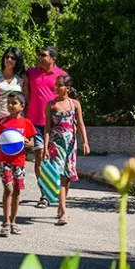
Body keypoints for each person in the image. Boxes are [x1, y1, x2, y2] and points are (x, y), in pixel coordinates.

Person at [23, 45, 66, 208]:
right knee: (39, 157)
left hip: (55, 124)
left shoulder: (61, 76)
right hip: (35, 122)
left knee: (54, 159)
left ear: (53, 59)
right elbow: (25, 91)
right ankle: (44, 195)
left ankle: (55, 191)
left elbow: (67, 98)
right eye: (39, 54)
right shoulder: (31, 73)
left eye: (44, 55)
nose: (40, 57)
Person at [43, 74, 89, 225]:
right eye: (55, 85)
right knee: (60, 175)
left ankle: (61, 206)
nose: (56, 88)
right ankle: (63, 210)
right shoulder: (50, 105)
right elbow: (48, 129)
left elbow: (80, 124)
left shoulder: (74, 104)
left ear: (67, 88)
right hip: (56, 144)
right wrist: (45, 147)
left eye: (59, 85)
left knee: (67, 176)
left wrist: (85, 142)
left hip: (70, 144)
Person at [0, 92, 37, 237]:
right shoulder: (2, 123)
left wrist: (28, 143)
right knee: (9, 189)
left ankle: (13, 222)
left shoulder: (26, 123)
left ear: (22, 106)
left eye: (14, 103)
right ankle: (5, 222)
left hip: (19, 161)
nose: (10, 105)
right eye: (9, 103)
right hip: (4, 160)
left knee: (17, 191)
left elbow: (32, 142)